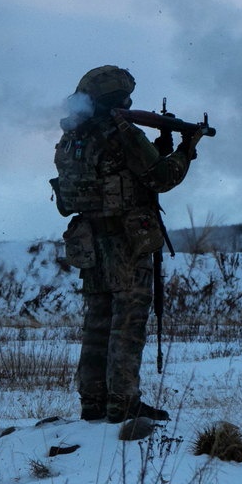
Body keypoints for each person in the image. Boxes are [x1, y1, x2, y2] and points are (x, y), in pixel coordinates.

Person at [52, 66, 203, 423]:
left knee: (97, 323)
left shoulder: (72, 136)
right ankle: (123, 402)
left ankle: (93, 402)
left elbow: (126, 173)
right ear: (116, 98)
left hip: (89, 239)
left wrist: (160, 147)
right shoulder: (120, 132)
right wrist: (186, 149)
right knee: (128, 323)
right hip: (126, 240)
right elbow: (161, 178)